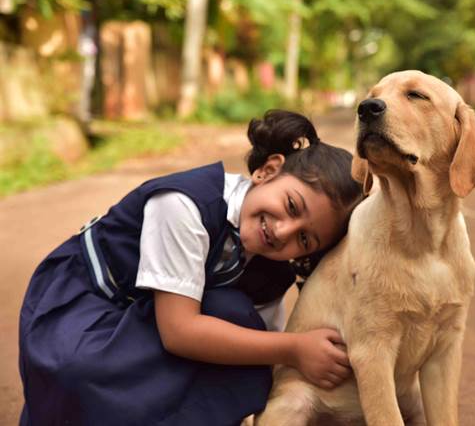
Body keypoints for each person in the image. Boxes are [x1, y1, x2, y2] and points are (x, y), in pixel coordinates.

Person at [18, 110, 363, 426]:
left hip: (146, 313)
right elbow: (179, 331)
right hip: (86, 299)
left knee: (239, 323)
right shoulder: (185, 205)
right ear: (267, 171)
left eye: (305, 239)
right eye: (291, 205)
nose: (283, 231)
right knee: (81, 372)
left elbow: (262, 345)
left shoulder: (273, 264)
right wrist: (295, 348)